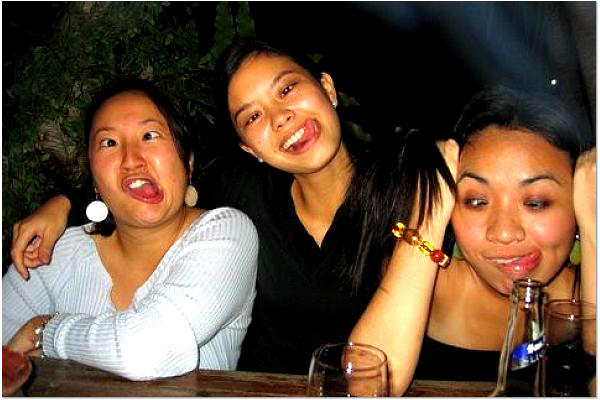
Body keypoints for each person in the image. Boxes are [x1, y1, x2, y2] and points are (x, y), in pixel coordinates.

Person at [9, 39, 456, 395]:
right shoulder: (244, 190)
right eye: (253, 116)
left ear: (328, 88)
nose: (281, 118)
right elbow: (146, 181)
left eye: (287, 89)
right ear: (248, 148)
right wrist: (63, 204)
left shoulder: (409, 188)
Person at [3, 79, 259, 380]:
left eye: (150, 135)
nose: (131, 159)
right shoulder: (53, 252)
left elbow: (149, 351)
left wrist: (44, 331)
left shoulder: (227, 235)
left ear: (188, 162)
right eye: (109, 143)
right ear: (94, 176)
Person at [410, 87, 596, 381]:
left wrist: (594, 229)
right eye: (477, 201)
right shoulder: (416, 286)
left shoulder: (585, 290)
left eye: (535, 203)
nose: (505, 233)